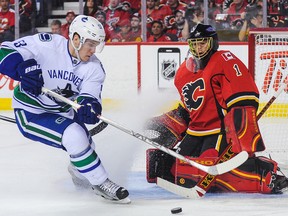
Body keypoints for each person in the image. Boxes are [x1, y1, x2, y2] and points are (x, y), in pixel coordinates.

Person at [0, 15, 130, 203]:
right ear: (76, 38)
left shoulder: (94, 68)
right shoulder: (47, 45)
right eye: (90, 44)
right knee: (75, 135)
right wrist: (21, 68)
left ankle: (79, 174)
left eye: (97, 45)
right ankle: (102, 183)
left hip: (62, 111)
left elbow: (90, 95)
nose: (93, 51)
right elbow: (4, 50)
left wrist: (89, 107)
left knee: (87, 145)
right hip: (31, 112)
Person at [145, 23, 288, 194]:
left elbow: (243, 97)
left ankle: (265, 172)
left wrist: (240, 130)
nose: (198, 47)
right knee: (173, 168)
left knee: (209, 168)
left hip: (219, 131)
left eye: (203, 43)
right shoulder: (183, 71)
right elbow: (187, 109)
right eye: (195, 43)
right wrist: (169, 124)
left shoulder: (224, 60)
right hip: (195, 132)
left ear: (213, 42)